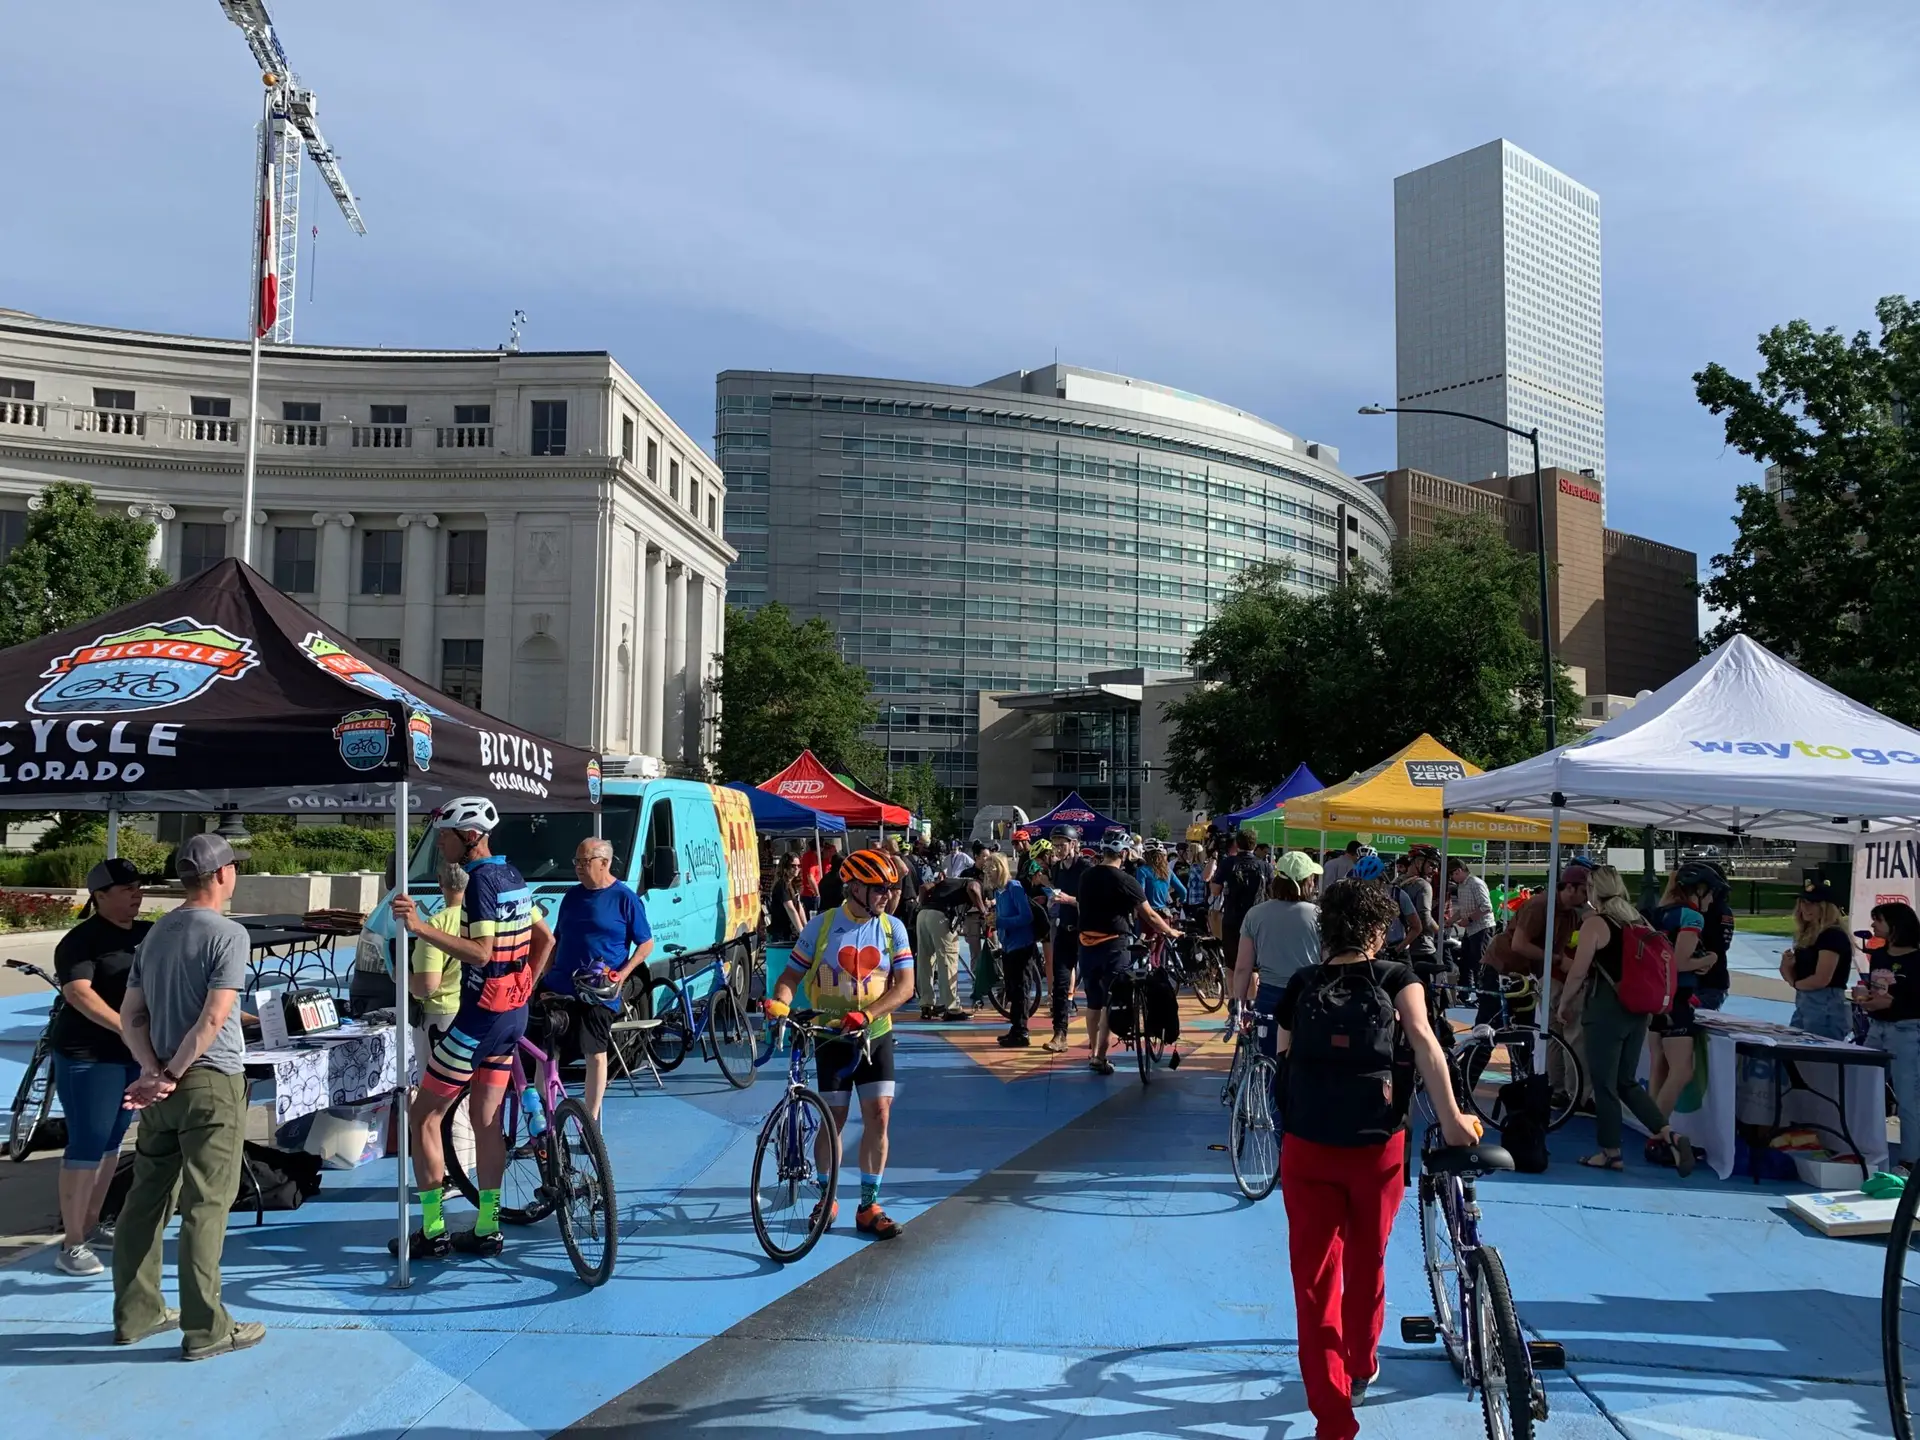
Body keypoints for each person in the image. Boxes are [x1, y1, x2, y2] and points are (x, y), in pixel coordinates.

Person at [1274, 876, 1480, 1438]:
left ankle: (1334, 1419)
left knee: (1315, 1284)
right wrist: (1456, 1120)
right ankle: (1362, 1366)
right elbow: (1425, 1044)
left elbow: (1284, 1066)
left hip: (1308, 1145)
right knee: (1368, 1261)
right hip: (1377, 1146)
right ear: (1376, 929)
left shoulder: (1302, 983)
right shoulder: (1396, 978)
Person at [112, 834, 261, 1359]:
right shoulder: (228, 933)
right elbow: (215, 1016)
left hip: (161, 1086)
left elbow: (132, 1016)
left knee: (147, 1197)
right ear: (221, 875)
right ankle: (207, 1327)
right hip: (209, 1080)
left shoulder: (154, 937)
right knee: (206, 1204)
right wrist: (174, 1071)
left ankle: (135, 1312)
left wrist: (153, 1070)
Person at [388, 796, 555, 1261]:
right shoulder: (513, 877)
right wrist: (525, 984)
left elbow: (480, 953)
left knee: (423, 1117)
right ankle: (487, 1225)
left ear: (470, 836)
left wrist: (420, 927)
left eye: (445, 834)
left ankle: (434, 1228)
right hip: (511, 1018)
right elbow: (546, 938)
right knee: (485, 1122)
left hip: (478, 1019)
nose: (439, 842)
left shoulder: (480, 882)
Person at [766, 848, 916, 1239]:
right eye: (879, 888)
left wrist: (868, 1015)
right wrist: (780, 1000)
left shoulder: (892, 928)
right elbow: (791, 975)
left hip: (874, 1035)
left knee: (879, 1116)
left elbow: (905, 987)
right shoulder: (821, 926)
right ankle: (826, 1196)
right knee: (832, 1121)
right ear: (854, 887)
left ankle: (868, 1205)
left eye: (890, 888)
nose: (886, 895)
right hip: (830, 1036)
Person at [48, 858, 153, 1277]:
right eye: (126, 888)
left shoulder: (148, 934)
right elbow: (79, 994)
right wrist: (125, 1028)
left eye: (138, 886)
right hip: (88, 1054)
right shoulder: (81, 940)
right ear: (100, 896)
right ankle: (71, 1241)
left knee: (113, 1140)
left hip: (132, 1055)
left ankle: (92, 1223)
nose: (136, 894)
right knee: (87, 1142)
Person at [1556, 865, 1694, 1175]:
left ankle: (1610, 1151)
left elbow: (1579, 970)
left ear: (1594, 890)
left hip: (1606, 1010)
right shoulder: (1638, 920)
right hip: (1639, 1012)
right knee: (1627, 1082)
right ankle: (1669, 1133)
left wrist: (1564, 1003)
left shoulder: (1596, 924)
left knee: (1605, 1086)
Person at [537, 837, 654, 1121]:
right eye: (576, 861)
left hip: (598, 991)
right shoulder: (572, 896)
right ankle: (546, 1121)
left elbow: (646, 943)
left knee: (595, 1052)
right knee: (544, 1054)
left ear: (605, 862)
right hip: (560, 986)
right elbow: (557, 938)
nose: (578, 867)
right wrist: (541, 977)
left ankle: (590, 1118)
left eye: (584, 861)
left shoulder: (624, 898)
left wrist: (623, 974)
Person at [1075, 837, 1180, 1075]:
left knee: (1093, 1001)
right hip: (1114, 945)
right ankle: (1101, 1057)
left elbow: (1082, 906)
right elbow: (1150, 915)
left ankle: (1093, 1052)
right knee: (1113, 1001)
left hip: (1087, 944)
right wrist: (1171, 931)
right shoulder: (1125, 880)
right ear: (1123, 854)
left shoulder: (1086, 876)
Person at [1645, 864, 1721, 1134]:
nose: (1712, 901)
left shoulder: (1661, 912)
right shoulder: (1691, 917)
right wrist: (1710, 958)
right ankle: (1659, 1132)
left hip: (1656, 998)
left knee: (1659, 1068)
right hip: (1677, 999)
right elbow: (1678, 962)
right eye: (1710, 894)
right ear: (1698, 891)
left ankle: (1652, 1130)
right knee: (1681, 1071)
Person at [1232, 852, 1323, 1059]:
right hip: (1308, 995)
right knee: (1306, 1061)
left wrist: (1241, 1005)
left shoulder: (1255, 914)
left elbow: (1243, 967)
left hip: (1270, 995)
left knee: (1269, 1057)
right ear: (1307, 882)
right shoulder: (1319, 916)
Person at [1858, 901, 1920, 1172]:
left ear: (1895, 926)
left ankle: (1910, 1160)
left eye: (1878, 920)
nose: (1873, 925)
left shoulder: (1917, 960)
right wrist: (1866, 998)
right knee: (1863, 1089)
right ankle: (1860, 1145)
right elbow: (1876, 989)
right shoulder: (1880, 955)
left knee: (1908, 1098)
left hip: (1907, 1031)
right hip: (1876, 1028)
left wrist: (1891, 1004)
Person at [1777, 875, 1853, 1039]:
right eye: (1803, 902)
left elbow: (1821, 979)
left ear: (1825, 907)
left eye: (1811, 903)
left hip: (1826, 1005)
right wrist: (1787, 968)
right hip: (1805, 1002)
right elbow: (1799, 979)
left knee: (1818, 1056)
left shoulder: (1832, 935)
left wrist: (1795, 982)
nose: (1805, 907)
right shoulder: (1807, 936)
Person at [986, 852, 1049, 1048]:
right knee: (1013, 988)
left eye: (992, 867)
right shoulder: (999, 891)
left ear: (1001, 868)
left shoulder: (1014, 888)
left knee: (1021, 988)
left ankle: (1021, 1031)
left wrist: (1001, 921)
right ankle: (1016, 1028)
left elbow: (1026, 917)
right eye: (987, 867)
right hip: (1009, 945)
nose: (988, 870)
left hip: (1021, 945)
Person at [914, 856, 988, 1022]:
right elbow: (974, 889)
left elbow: (924, 888)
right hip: (942, 916)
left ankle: (926, 1004)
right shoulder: (974, 881)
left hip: (924, 914)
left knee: (925, 960)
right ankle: (952, 1008)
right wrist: (984, 911)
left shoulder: (950, 880)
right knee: (947, 960)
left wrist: (924, 905)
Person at [1044, 826, 1091, 1052]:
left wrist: (1069, 900)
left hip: (1086, 932)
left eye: (1063, 844)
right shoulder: (1057, 869)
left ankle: (1095, 1033)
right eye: (1055, 845)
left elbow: (1091, 902)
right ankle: (1059, 1034)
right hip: (1064, 930)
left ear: (1074, 845)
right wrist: (1053, 902)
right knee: (1060, 985)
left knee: (1093, 984)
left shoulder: (1086, 868)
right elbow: (1058, 894)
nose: (1059, 849)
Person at [1211, 830, 1267, 986]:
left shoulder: (1228, 863)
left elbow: (1215, 890)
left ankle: (1235, 1003)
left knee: (1231, 965)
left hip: (1232, 919)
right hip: (1257, 920)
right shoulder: (1264, 866)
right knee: (1254, 967)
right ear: (1254, 845)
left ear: (1237, 844)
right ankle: (1251, 1004)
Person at [1447, 856, 1493, 988]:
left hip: (1482, 928)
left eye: (1452, 874)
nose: (1452, 878)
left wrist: (1469, 919)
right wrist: (1450, 921)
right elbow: (1463, 909)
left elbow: (1486, 907)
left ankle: (1484, 991)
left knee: (1480, 962)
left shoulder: (1475, 883)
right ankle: (1466, 990)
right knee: (1465, 961)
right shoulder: (1461, 886)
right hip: (1471, 929)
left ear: (1459, 871)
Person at [1136, 843, 1187, 915]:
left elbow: (1140, 894)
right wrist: (1181, 901)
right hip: (1164, 912)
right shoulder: (1167, 870)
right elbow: (1183, 891)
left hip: (1148, 913)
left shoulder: (1142, 870)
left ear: (1147, 855)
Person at [769, 852, 805, 948]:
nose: (797, 868)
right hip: (782, 935)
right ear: (785, 867)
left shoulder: (793, 884)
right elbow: (791, 909)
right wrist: (802, 932)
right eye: (793, 866)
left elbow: (799, 907)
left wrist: (806, 928)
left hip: (791, 933)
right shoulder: (782, 885)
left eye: (799, 865)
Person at [817, 842, 846, 912]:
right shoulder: (840, 878)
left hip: (823, 909)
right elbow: (842, 895)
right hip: (834, 911)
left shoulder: (825, 877)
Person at [798, 838, 823, 915]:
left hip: (808, 893)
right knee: (813, 917)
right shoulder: (811, 857)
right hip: (811, 894)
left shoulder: (807, 856)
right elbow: (810, 876)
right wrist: (817, 893)